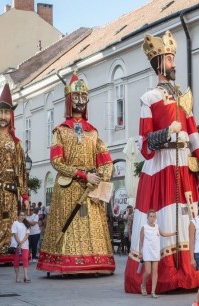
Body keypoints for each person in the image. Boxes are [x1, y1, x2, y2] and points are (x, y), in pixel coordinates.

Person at [125, 30, 199, 293]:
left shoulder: (184, 98)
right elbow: (144, 144)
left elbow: (193, 131)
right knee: (166, 216)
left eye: (174, 58)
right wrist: (166, 133)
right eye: (170, 59)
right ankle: (166, 274)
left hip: (183, 163)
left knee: (187, 215)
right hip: (161, 165)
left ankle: (190, 268)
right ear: (159, 63)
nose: (174, 64)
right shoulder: (149, 98)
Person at [37, 70, 115, 275]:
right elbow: (56, 162)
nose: (80, 101)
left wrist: (100, 177)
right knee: (70, 226)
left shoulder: (93, 132)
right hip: (69, 188)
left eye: (84, 97)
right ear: (69, 100)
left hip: (91, 188)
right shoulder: (60, 131)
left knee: (91, 226)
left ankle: (95, 262)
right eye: (76, 97)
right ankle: (67, 263)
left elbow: (106, 161)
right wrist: (82, 175)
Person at [0, 83, 30, 264]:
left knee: (10, 224)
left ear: (11, 116)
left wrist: (24, 194)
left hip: (11, 193)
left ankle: (9, 252)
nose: (2, 116)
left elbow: (22, 170)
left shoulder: (16, 143)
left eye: (6, 112)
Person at [138, 209, 176, 298]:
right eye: (150, 216)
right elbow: (141, 241)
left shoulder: (157, 227)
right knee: (148, 271)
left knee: (155, 272)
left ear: (155, 217)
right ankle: (143, 285)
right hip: (147, 251)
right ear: (147, 217)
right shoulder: (144, 227)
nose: (152, 218)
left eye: (153, 216)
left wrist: (173, 233)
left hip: (155, 251)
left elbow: (163, 234)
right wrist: (140, 252)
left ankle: (153, 292)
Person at [11, 211, 30, 283]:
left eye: (23, 215)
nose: (22, 216)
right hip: (17, 245)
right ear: (18, 216)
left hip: (25, 245)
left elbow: (27, 235)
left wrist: (22, 242)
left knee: (25, 259)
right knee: (16, 260)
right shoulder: (15, 223)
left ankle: (26, 275)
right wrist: (19, 243)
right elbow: (15, 234)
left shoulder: (27, 224)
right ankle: (17, 276)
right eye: (21, 215)